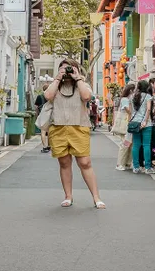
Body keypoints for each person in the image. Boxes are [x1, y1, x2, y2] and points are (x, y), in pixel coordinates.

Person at [45, 59, 106, 209]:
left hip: (79, 127)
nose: (67, 72)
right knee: (64, 163)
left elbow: (86, 97)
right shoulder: (56, 85)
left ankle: (96, 197)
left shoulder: (82, 85)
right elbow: (48, 96)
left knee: (85, 162)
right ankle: (68, 196)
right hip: (58, 127)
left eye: (70, 69)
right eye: (63, 69)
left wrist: (77, 78)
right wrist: (58, 78)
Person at [129, 80, 155, 174]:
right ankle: (147, 167)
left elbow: (131, 110)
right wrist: (144, 121)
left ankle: (136, 167)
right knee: (146, 145)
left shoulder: (133, 96)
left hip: (135, 123)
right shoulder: (148, 96)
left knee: (136, 145)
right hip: (146, 124)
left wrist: (130, 121)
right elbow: (148, 109)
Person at [115, 83, 135, 171]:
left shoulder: (127, 99)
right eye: (135, 90)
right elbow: (129, 111)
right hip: (125, 124)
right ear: (131, 91)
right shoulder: (125, 100)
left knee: (130, 143)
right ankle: (120, 164)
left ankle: (127, 163)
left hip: (128, 123)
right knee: (125, 144)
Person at [36, 85, 51, 153]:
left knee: (43, 131)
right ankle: (49, 146)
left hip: (43, 114)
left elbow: (36, 107)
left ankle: (45, 147)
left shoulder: (40, 96)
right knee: (50, 131)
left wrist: (37, 115)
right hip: (51, 114)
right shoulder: (52, 96)